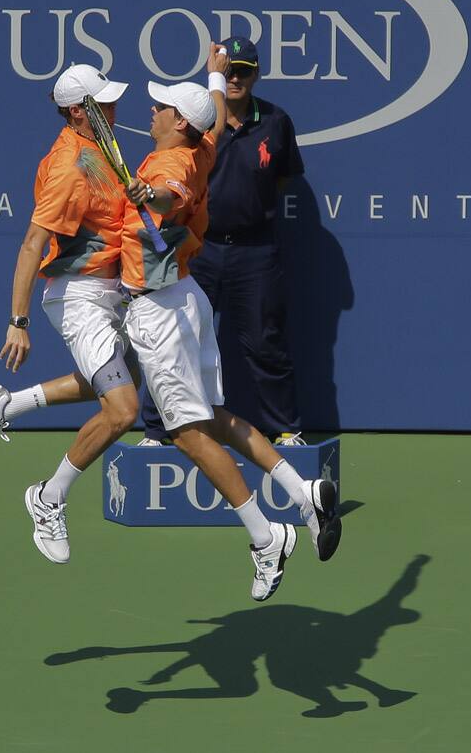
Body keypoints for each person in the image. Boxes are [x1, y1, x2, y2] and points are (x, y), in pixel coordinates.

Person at [119, 46, 341, 600]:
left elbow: (170, 195)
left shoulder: (171, 166)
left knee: (189, 432)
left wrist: (152, 196)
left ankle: (267, 538)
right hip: (190, 293)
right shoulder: (208, 145)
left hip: (164, 306)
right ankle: (303, 489)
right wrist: (214, 76)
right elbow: (216, 116)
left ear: (179, 124)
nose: (152, 112)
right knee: (213, 416)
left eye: (162, 107)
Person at [0, 63, 140, 564]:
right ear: (79, 112)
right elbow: (34, 242)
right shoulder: (69, 167)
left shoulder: (103, 146)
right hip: (80, 295)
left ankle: (3, 406)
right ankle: (48, 497)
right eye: (104, 103)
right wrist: (18, 322)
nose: (115, 109)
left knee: (115, 379)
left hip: (112, 289)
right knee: (122, 409)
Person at [139, 36, 305, 448]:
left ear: (256, 74)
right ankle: (158, 432)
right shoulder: (198, 131)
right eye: (228, 71)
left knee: (265, 341)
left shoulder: (276, 122)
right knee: (174, 338)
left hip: (255, 250)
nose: (235, 79)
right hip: (200, 248)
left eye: (243, 72)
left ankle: (285, 430)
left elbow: (282, 178)